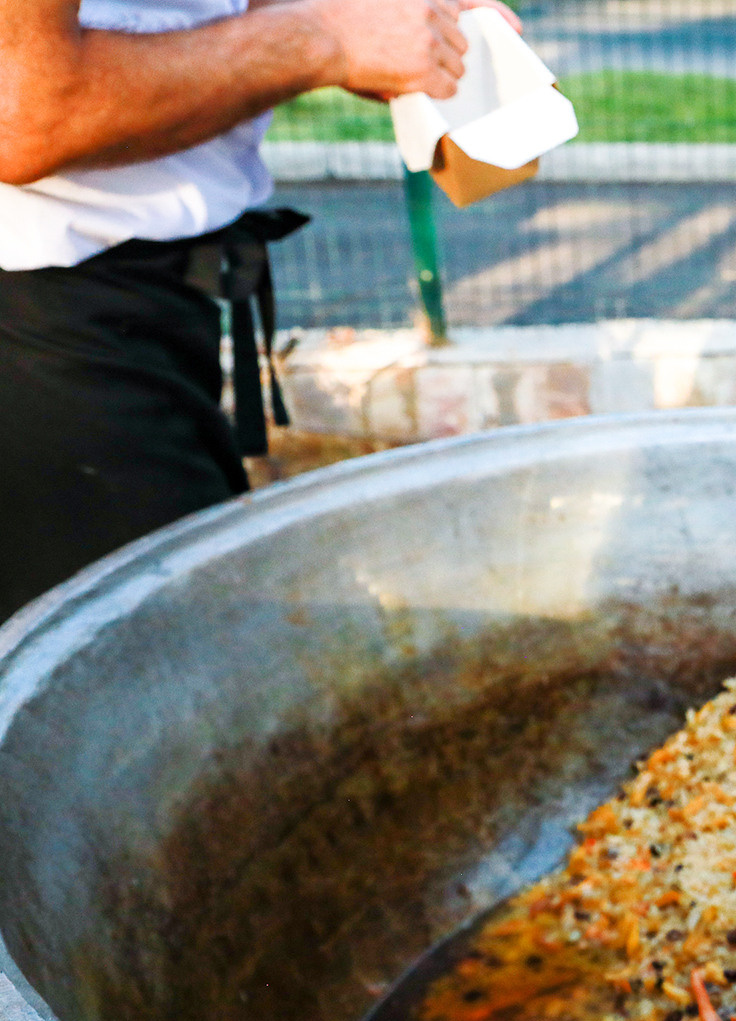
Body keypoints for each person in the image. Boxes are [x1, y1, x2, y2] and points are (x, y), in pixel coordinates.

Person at [0, 0, 516, 621]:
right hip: (40, 329)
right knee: (153, 657)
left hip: (130, 304)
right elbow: (21, 113)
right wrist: (327, 37)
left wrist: (380, 23)